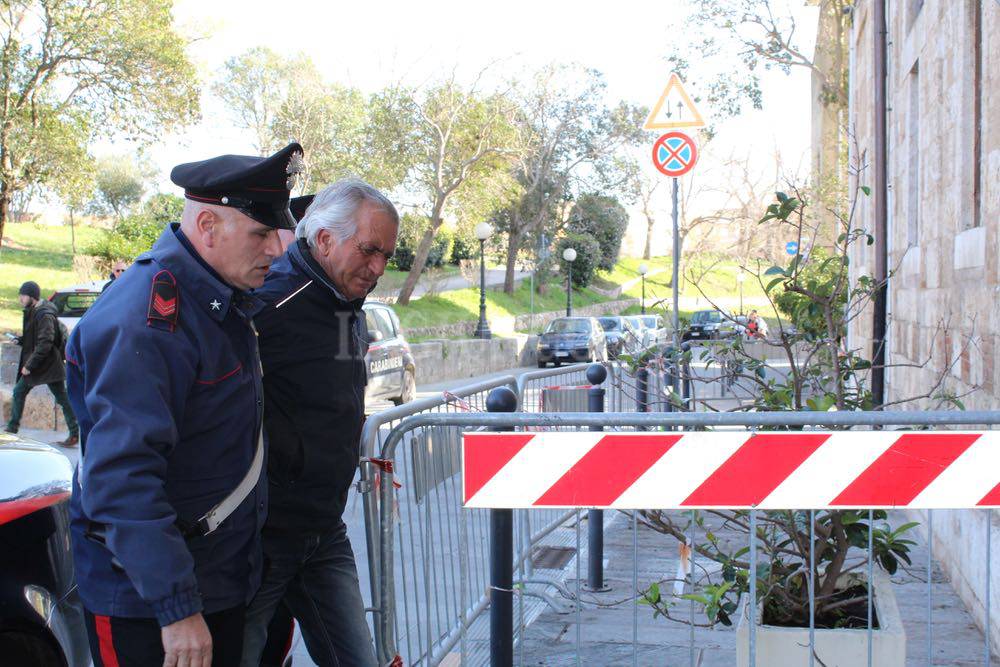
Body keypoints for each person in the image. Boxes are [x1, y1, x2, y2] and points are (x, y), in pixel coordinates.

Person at [66, 142, 304, 667]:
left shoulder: (215, 301)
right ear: (208, 227)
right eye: (261, 234)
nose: (276, 250)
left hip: (212, 583)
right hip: (149, 604)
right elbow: (124, 477)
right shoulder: (148, 317)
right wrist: (176, 609)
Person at [241, 179, 399, 667]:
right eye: (369, 250)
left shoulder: (347, 303)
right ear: (325, 240)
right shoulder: (269, 303)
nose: (377, 268)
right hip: (264, 540)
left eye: (387, 256)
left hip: (324, 530)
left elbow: (336, 398)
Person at [3, 280, 79, 446]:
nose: (20, 299)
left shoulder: (44, 314)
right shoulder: (34, 311)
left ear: (32, 296)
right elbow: (35, 338)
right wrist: (20, 340)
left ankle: (74, 433)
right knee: (21, 392)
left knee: (59, 398)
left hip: (47, 364)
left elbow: (45, 342)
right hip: (45, 363)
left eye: (23, 296)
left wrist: (29, 365)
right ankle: (12, 427)